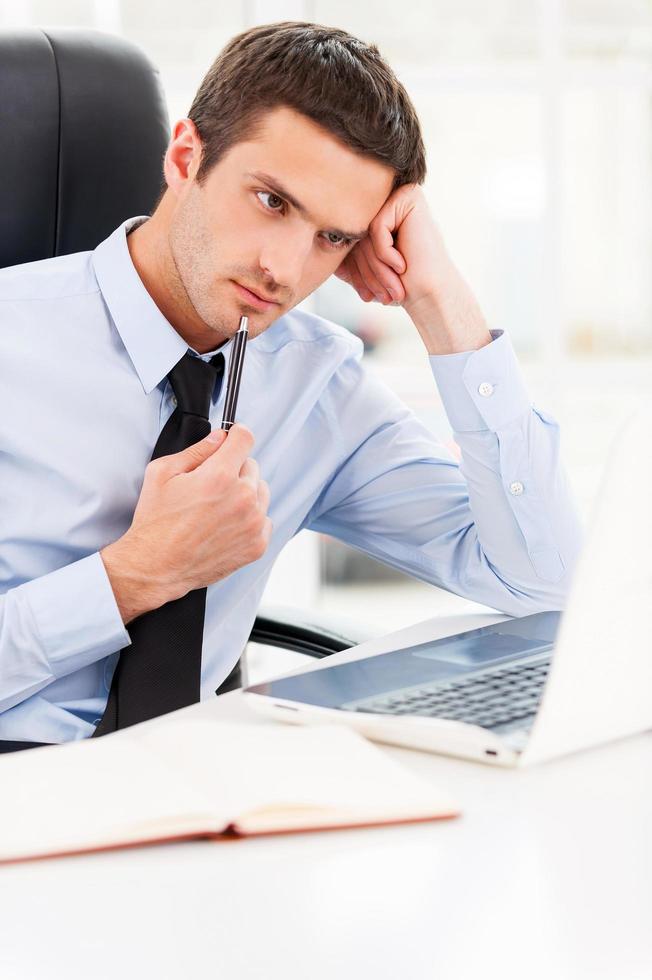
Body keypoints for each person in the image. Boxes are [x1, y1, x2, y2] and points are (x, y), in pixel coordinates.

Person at [0, 21, 582, 747]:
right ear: (187, 157)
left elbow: (546, 585)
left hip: (203, 797)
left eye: (332, 237)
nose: (284, 267)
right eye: (272, 201)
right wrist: (134, 576)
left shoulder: (319, 384)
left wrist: (441, 302)